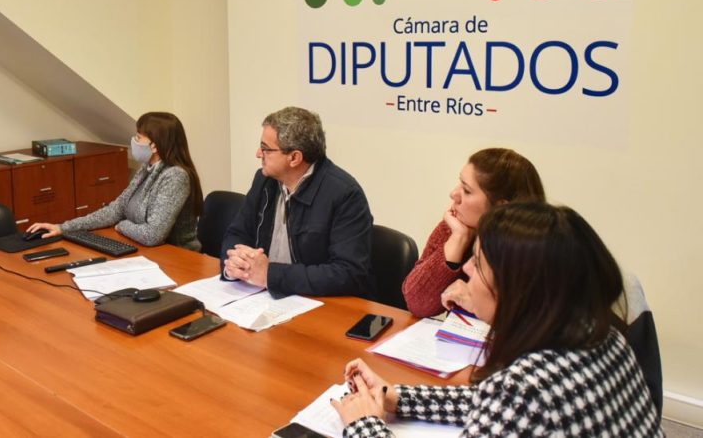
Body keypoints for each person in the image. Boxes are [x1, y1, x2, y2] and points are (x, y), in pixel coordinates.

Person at [332, 202, 662, 437]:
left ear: (514, 289)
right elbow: (489, 400)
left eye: (477, 263)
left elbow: (511, 399)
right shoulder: (603, 337)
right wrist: (397, 396)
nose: (467, 269)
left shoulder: (524, 389)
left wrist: (364, 424)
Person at [220, 106, 374, 298]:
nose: (258, 154)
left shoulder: (345, 195)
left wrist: (270, 275)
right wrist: (236, 264)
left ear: (294, 158)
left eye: (266, 149)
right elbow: (237, 233)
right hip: (262, 295)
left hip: (315, 302)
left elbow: (348, 273)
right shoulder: (265, 180)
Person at [25, 112, 204, 250]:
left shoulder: (175, 176)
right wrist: (63, 228)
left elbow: (152, 235)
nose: (134, 141)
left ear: (155, 146)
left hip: (178, 257)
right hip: (148, 252)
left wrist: (122, 226)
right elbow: (116, 209)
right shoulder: (147, 168)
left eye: (138, 137)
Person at [402, 148, 544, 318]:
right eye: (460, 183)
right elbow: (417, 304)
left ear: (500, 208)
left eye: (467, 190)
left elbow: (537, 323)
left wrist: (482, 306)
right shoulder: (455, 227)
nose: (453, 194)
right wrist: (458, 239)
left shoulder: (535, 248)